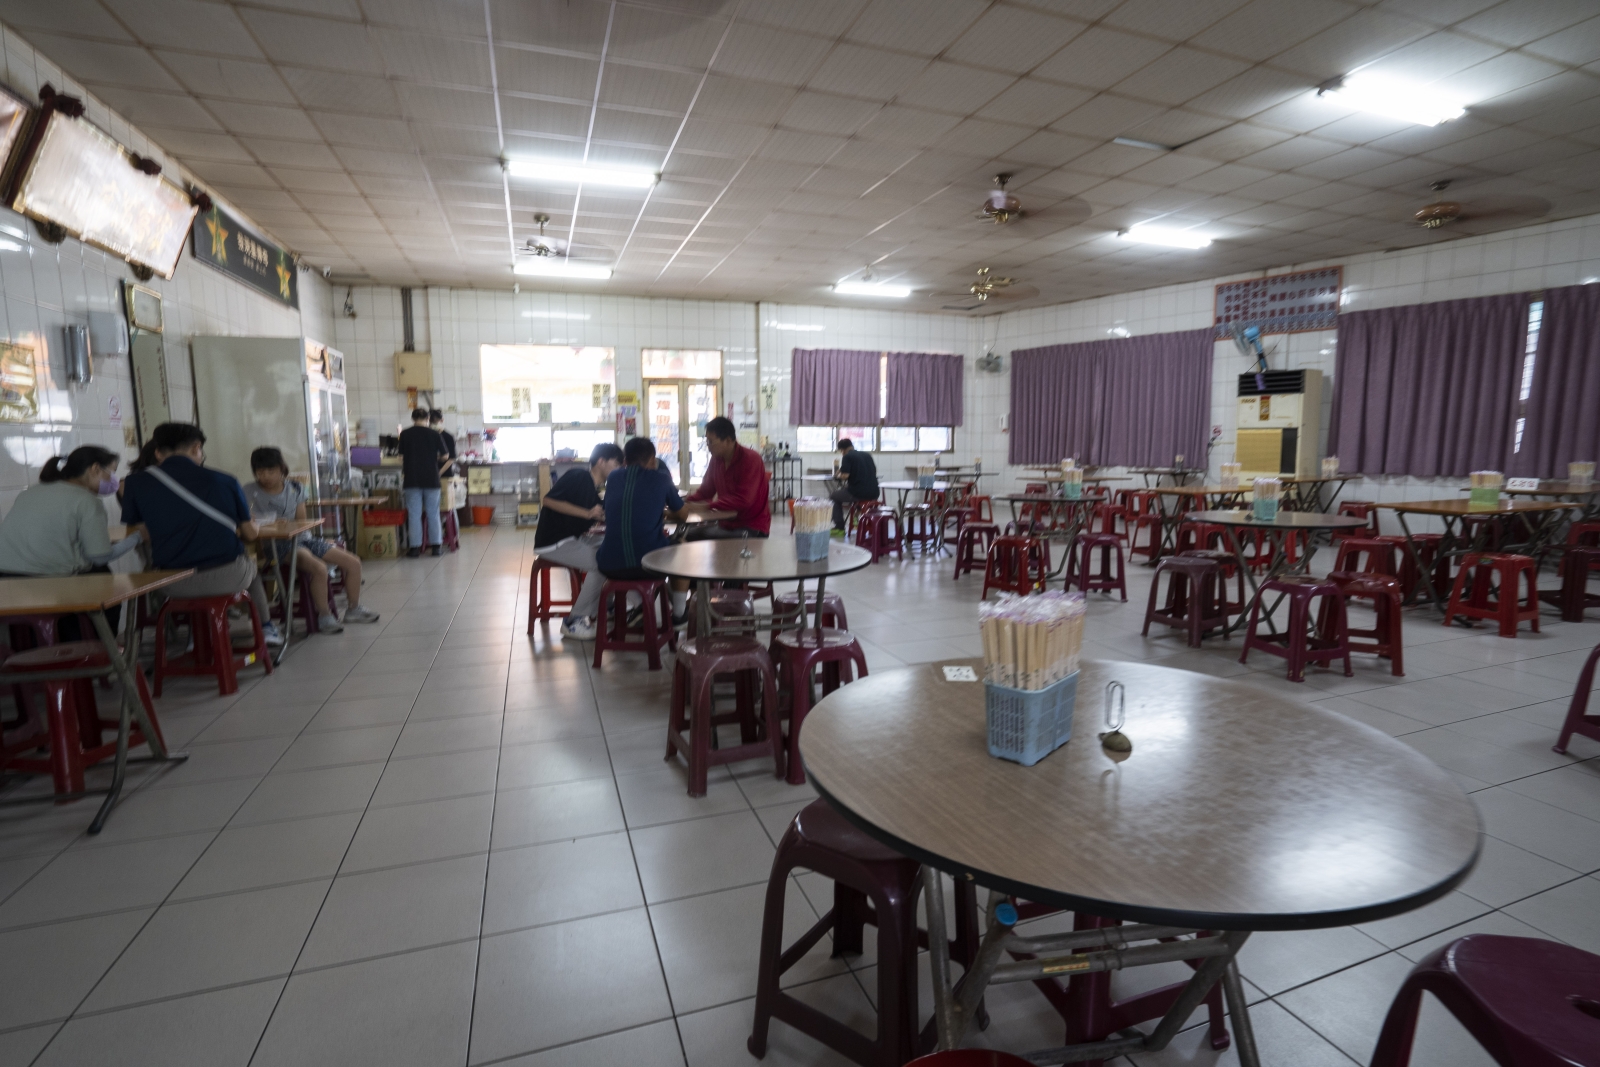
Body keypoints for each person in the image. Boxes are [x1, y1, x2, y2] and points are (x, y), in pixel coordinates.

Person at [119, 422, 282, 645]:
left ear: (158, 452)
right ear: (197, 448)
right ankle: (266, 628)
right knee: (252, 568)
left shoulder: (135, 484)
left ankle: (197, 636)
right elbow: (250, 534)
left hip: (171, 583)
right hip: (227, 576)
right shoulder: (225, 481)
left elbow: (137, 535)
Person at [0, 445, 143, 639]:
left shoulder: (30, 493)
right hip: (52, 584)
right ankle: (102, 653)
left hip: (7, 583)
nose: (113, 481)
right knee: (108, 583)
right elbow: (99, 557)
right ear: (94, 469)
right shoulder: (87, 501)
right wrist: (138, 537)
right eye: (112, 473)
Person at [244, 447, 379, 633]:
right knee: (319, 568)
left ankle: (353, 609)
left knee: (353, 562)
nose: (265, 476)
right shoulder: (248, 492)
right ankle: (324, 616)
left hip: (303, 538)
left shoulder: (295, 488)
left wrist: (288, 524)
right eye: (260, 472)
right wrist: (274, 525)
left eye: (270, 471)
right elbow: (246, 523)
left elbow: (302, 521)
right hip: (276, 545)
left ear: (281, 469)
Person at [534, 442, 623, 642]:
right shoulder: (579, 476)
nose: (619, 469)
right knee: (603, 563)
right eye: (616, 464)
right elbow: (547, 501)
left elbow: (598, 512)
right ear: (601, 461)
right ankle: (573, 621)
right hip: (554, 542)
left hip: (572, 539)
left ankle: (606, 606)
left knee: (613, 551)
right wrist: (587, 513)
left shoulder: (593, 489)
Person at [596, 436, 691, 624]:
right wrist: (664, 513)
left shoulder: (613, 478)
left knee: (634, 548)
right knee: (682, 547)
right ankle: (679, 615)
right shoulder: (661, 479)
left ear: (624, 461)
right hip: (648, 566)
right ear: (653, 460)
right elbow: (683, 515)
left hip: (608, 565)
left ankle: (640, 606)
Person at [685, 416, 770, 540]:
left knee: (694, 536)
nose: (708, 446)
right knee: (687, 533)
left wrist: (710, 505)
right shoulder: (716, 460)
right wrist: (682, 502)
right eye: (706, 441)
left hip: (751, 527)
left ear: (729, 440)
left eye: (711, 441)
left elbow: (744, 500)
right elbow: (705, 492)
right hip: (727, 523)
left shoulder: (751, 459)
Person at [398, 407, 449, 558]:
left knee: (414, 514)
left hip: (412, 478)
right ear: (427, 419)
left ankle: (414, 549)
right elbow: (446, 456)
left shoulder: (405, 434)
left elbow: (400, 457)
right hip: (431, 478)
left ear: (413, 419)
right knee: (433, 513)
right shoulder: (434, 434)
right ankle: (436, 547)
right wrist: (435, 458)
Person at [831, 437, 879, 530]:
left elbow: (845, 476)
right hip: (874, 492)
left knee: (834, 496)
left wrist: (837, 476)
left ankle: (839, 526)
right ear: (851, 446)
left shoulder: (847, 456)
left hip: (859, 493)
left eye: (841, 451)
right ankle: (856, 521)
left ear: (842, 450)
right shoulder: (867, 455)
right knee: (853, 496)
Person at [429, 409, 457, 477]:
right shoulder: (426, 436)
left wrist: (439, 473)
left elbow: (451, 458)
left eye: (435, 423)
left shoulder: (448, 437)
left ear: (442, 420)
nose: (433, 425)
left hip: (445, 473)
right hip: (428, 472)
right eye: (431, 423)